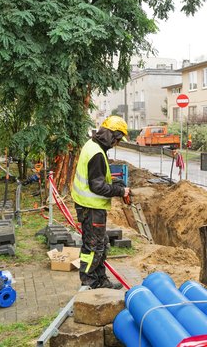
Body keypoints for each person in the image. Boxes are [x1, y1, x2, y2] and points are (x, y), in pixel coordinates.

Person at [71, 116, 131, 289]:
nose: (116, 144)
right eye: (117, 140)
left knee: (100, 244)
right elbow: (97, 186)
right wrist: (120, 191)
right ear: (112, 135)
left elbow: (98, 178)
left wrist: (114, 183)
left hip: (91, 207)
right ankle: (89, 283)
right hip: (91, 208)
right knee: (93, 247)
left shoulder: (94, 146)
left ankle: (100, 280)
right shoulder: (97, 153)